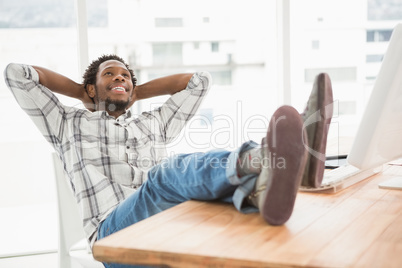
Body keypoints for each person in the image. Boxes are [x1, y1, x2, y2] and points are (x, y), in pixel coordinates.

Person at [4, 54, 333, 268]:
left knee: (234, 223)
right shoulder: (67, 124)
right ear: (91, 88)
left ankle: (262, 184)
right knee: (164, 175)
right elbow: (17, 74)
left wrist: (134, 91)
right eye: (110, 75)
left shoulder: (151, 123)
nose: (120, 79)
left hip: (172, 225)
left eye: (125, 76)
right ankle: (267, 163)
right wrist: (82, 93)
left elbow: (199, 81)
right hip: (115, 237)